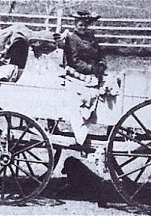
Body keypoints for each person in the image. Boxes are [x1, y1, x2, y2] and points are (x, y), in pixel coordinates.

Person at [60, 11, 107, 153]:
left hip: (93, 71)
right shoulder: (71, 38)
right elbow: (74, 61)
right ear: (75, 24)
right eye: (80, 24)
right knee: (89, 91)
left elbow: (100, 53)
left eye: (85, 24)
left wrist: (101, 64)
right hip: (79, 72)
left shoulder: (91, 37)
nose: (83, 27)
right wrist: (92, 69)